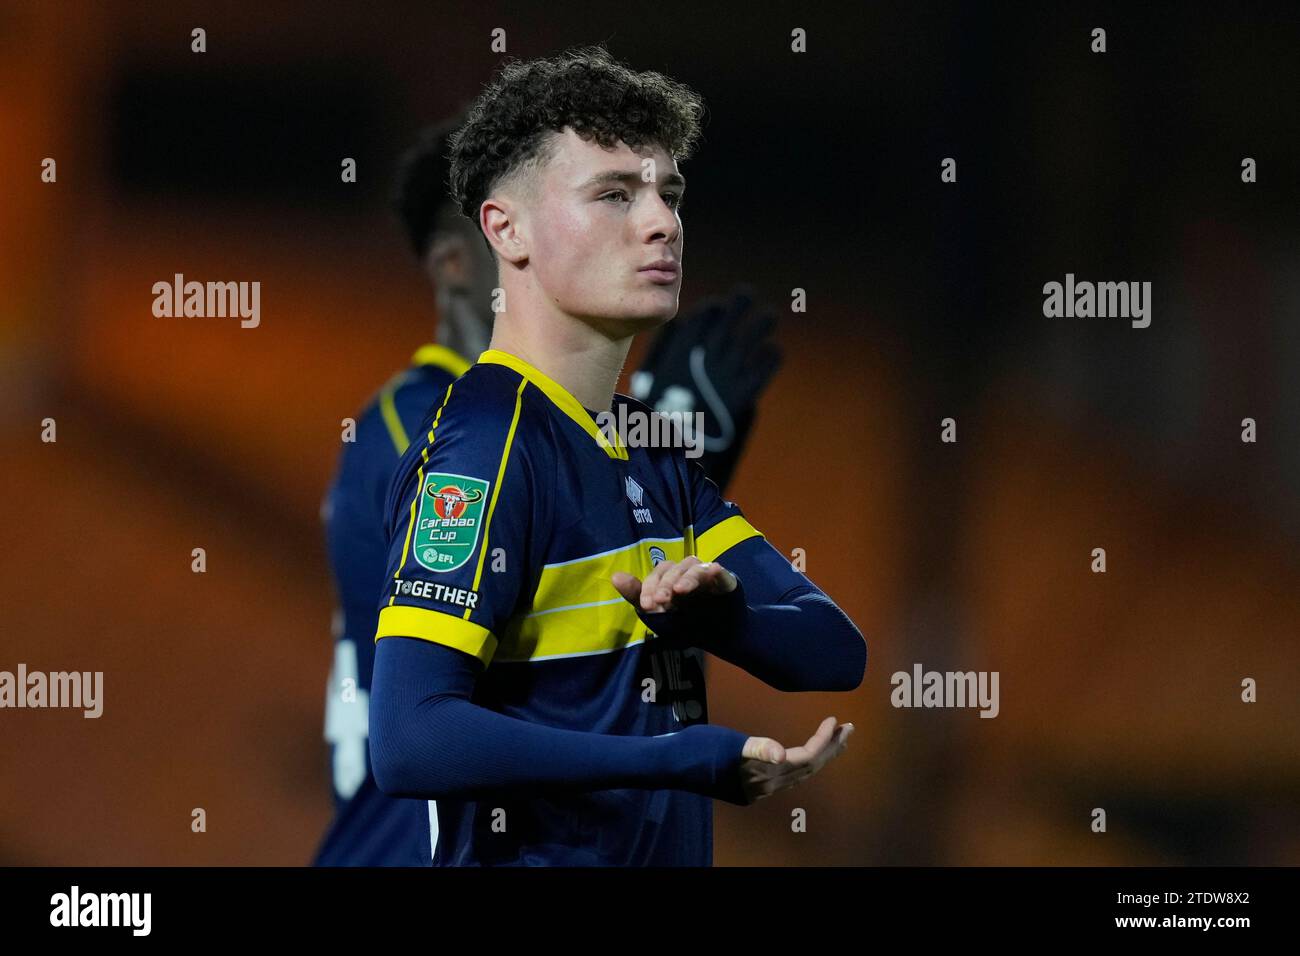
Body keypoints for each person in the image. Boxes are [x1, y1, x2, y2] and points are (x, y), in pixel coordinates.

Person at [367, 46, 865, 867]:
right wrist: (672, 760)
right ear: (506, 228)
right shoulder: (489, 443)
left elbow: (835, 651)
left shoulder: (644, 442)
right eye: (613, 194)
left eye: (668, 192)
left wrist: (723, 619)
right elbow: (410, 737)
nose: (662, 220)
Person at [313, 111, 784, 861]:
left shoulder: (564, 426)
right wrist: (664, 445)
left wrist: (669, 459)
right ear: (458, 262)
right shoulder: (421, 428)